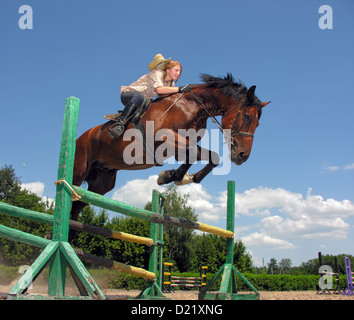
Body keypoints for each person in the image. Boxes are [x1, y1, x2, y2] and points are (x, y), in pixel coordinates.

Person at [109, 54, 192, 138]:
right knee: (140, 97)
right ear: (167, 70)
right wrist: (180, 89)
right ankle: (119, 124)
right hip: (129, 95)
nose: (178, 73)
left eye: (180, 72)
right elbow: (159, 90)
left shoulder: (171, 84)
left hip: (143, 101)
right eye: (176, 70)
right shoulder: (157, 73)